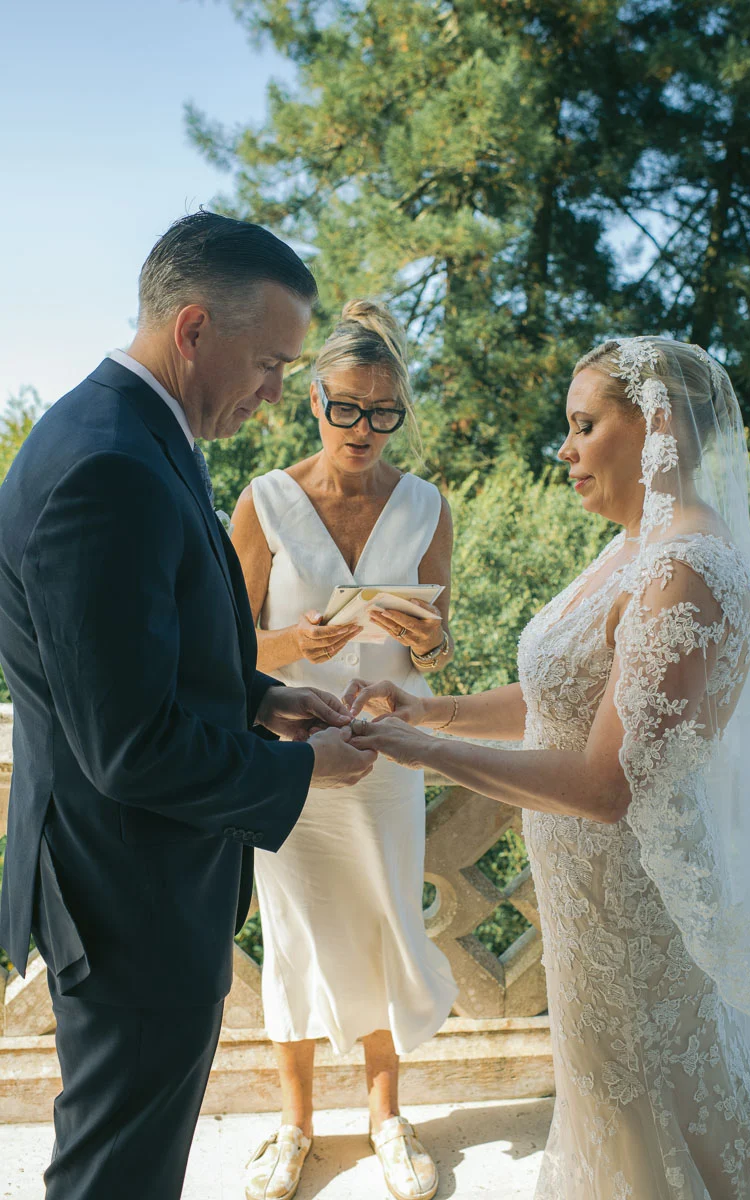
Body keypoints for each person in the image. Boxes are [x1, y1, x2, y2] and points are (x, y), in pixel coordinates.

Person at [346, 337, 750, 1198]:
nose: (564, 450)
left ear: (658, 426)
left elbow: (605, 785)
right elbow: (566, 694)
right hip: (584, 900)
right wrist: (429, 710)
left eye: (584, 426)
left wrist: (424, 752)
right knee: (608, 1097)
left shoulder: (683, 571)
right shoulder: (636, 545)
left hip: (630, 907)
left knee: (651, 1108)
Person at [0, 212, 377, 1200]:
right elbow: (128, 744)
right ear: (195, 329)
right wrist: (303, 768)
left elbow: (134, 657)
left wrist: (263, 699)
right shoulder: (107, 466)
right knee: (116, 1177)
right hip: (127, 896)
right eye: (270, 364)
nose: (277, 394)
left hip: (134, 882)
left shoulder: (131, 434)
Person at [231, 299, 458, 1200]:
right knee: (291, 932)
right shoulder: (264, 502)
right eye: (347, 408)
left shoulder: (428, 506)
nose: (364, 429)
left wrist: (430, 643)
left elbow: (439, 649)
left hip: (388, 757)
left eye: (384, 412)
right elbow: (223, 650)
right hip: (291, 757)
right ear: (314, 400)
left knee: (387, 922)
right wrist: (296, 644)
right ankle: (294, 1124)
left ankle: (385, 1116)